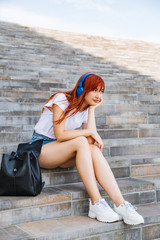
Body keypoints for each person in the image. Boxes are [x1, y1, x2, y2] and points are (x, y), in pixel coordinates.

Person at [31, 72, 144, 225]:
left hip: (62, 151)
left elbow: (91, 141)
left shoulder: (85, 109)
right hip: (41, 148)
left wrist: (91, 110)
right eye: (94, 90)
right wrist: (90, 132)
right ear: (81, 89)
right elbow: (60, 135)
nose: (98, 95)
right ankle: (96, 201)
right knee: (81, 141)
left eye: (101, 91)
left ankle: (121, 204)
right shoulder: (61, 99)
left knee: (92, 148)